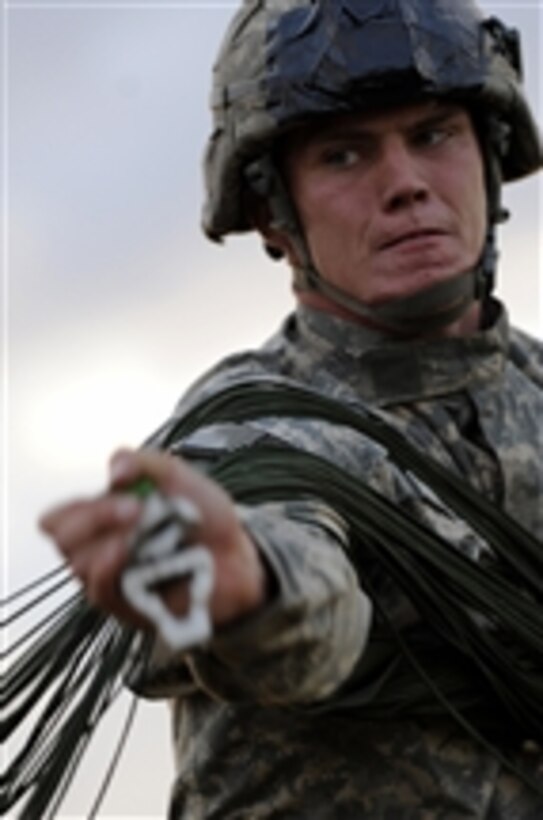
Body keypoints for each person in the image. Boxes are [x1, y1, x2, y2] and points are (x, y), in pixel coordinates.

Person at [40, 0, 543, 817]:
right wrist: (241, 583)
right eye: (344, 155)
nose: (405, 183)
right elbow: (302, 595)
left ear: (486, 154)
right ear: (275, 211)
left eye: (432, 135)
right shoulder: (253, 429)